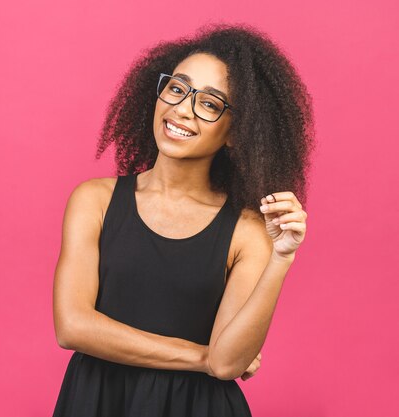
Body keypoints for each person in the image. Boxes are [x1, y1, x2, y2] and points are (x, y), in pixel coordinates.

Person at [51, 22, 315, 417]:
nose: (181, 109)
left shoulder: (247, 231)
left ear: (235, 133)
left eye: (209, 103)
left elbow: (228, 364)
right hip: (98, 401)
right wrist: (200, 357)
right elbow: (72, 326)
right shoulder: (95, 200)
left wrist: (281, 259)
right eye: (177, 88)